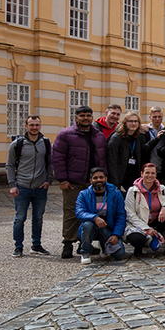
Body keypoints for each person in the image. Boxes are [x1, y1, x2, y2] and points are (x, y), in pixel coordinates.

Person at [52, 105, 108, 259]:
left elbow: (102, 159)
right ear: (76, 117)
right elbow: (58, 157)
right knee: (71, 213)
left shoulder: (98, 135)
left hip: (93, 183)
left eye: (88, 115)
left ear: (92, 117)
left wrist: (104, 177)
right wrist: (62, 179)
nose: (85, 118)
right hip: (73, 181)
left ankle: (84, 244)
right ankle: (68, 244)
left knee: (92, 213)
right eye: (82, 115)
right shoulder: (66, 134)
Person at [7, 115, 52, 256]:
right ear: (26, 126)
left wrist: (48, 180)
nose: (34, 128)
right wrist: (12, 185)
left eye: (37, 125)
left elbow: (50, 163)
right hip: (22, 186)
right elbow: (9, 165)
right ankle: (18, 247)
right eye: (31, 125)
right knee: (20, 218)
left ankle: (36, 245)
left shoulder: (45, 142)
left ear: (40, 126)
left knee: (38, 217)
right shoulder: (17, 144)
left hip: (40, 187)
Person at [124, 163, 165, 257]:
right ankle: (139, 247)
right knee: (136, 238)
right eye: (147, 173)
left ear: (156, 175)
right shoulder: (132, 191)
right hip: (140, 222)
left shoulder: (161, 188)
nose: (150, 176)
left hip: (157, 219)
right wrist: (147, 228)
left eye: (152, 173)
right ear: (141, 174)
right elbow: (130, 214)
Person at [76, 167, 126, 264]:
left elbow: (121, 216)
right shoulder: (83, 194)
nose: (98, 180)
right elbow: (79, 212)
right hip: (90, 227)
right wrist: (94, 218)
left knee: (119, 255)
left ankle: (104, 245)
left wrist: (116, 234)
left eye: (101, 177)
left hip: (107, 228)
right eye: (95, 178)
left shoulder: (116, 194)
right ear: (91, 180)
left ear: (106, 179)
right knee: (87, 224)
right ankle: (86, 251)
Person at [106, 112, 149, 191]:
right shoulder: (116, 138)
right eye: (130, 121)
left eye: (136, 121)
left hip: (134, 177)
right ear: (125, 123)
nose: (133, 123)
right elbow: (112, 162)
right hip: (120, 177)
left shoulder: (139, 136)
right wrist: (116, 183)